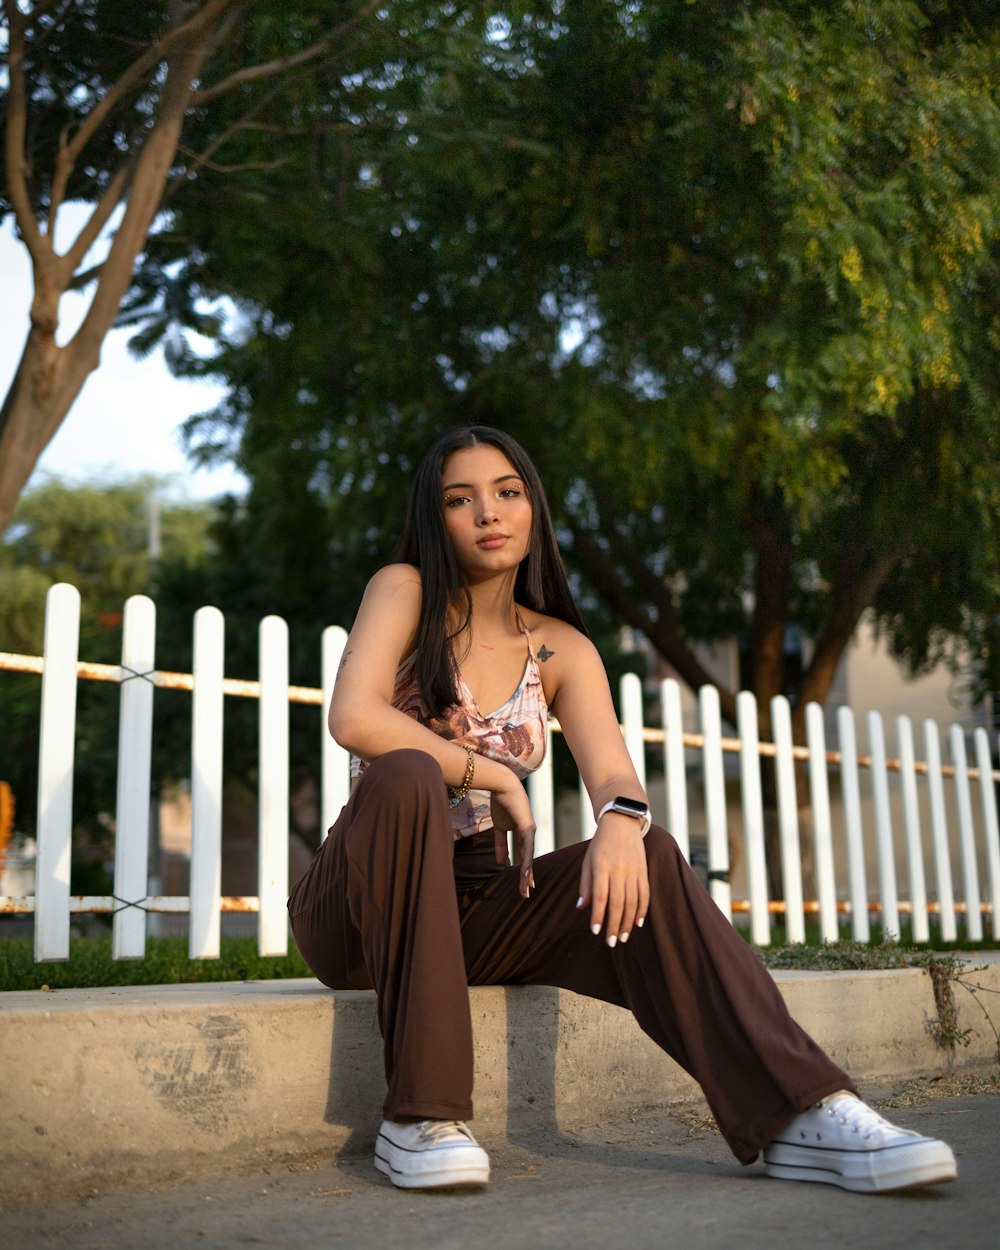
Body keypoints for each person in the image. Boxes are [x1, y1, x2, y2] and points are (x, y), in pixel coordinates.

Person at [287, 425, 957, 1195]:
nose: (488, 513)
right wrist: (496, 777)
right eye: (460, 499)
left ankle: (801, 1111)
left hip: (471, 902)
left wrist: (619, 824)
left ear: (533, 508)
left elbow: (613, 774)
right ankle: (420, 1118)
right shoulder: (402, 589)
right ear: (434, 519)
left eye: (507, 492)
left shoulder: (562, 647)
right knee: (404, 772)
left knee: (656, 857)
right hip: (358, 901)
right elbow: (355, 717)